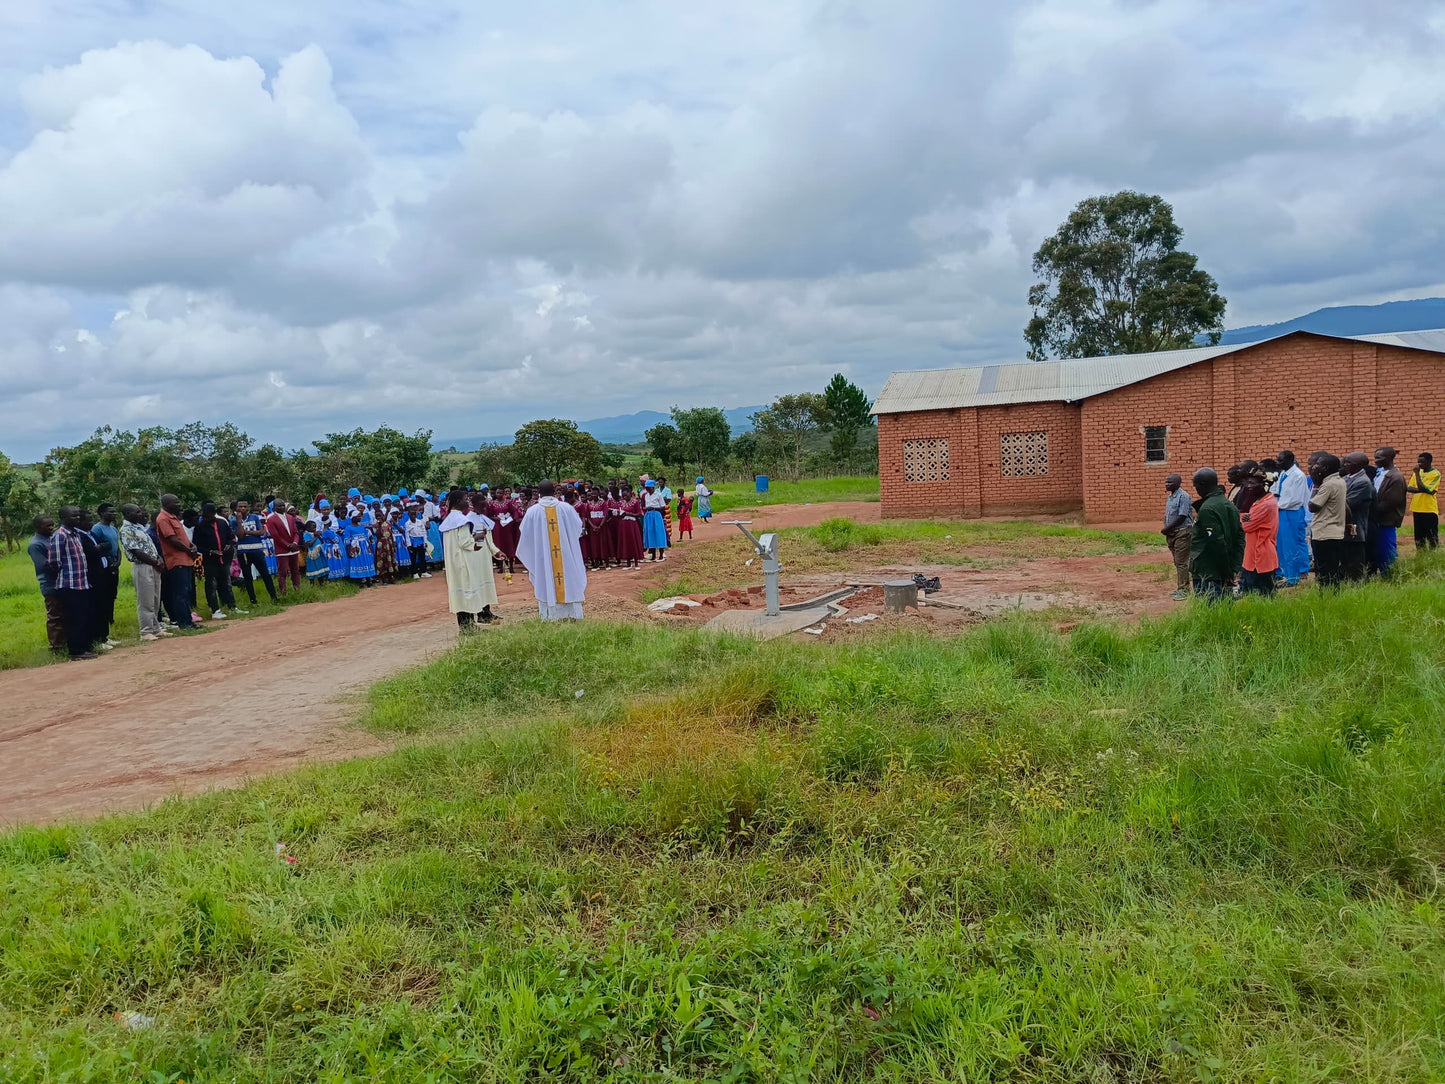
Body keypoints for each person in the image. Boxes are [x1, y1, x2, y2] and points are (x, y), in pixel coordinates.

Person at [516, 480, 587, 620]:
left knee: (546, 578)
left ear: (539, 492)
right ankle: (572, 615)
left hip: (543, 557)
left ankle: (550, 617)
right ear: (554, 491)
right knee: (569, 579)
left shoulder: (532, 511)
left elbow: (525, 535)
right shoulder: (566, 508)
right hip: (565, 555)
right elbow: (578, 528)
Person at [439, 491, 501, 627]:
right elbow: (465, 542)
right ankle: (469, 627)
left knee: (460, 593)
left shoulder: (449, 519)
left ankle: (465, 626)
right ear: (458, 502)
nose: (468, 502)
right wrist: (476, 541)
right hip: (463, 561)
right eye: (465, 499)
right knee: (467, 591)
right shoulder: (462, 520)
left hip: (454, 561)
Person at [48, 505, 98, 658]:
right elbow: (54, 561)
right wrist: (65, 574)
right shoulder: (60, 535)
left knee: (83, 616)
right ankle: (76, 651)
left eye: (78, 516)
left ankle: (84, 647)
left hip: (82, 583)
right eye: (73, 516)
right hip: (69, 584)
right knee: (74, 618)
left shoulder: (76, 534)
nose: (77, 518)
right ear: (63, 518)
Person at [1189, 467, 1243, 601]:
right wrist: (1234, 567)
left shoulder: (1207, 509)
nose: (1196, 490)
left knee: (1209, 611)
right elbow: (1240, 538)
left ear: (1202, 485)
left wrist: (1226, 572)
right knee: (1224, 611)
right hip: (1225, 569)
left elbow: (1216, 543)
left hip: (1208, 571)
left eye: (1196, 486)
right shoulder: (1229, 505)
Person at [120, 505, 167, 641]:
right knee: (145, 600)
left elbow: (149, 546)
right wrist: (154, 561)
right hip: (143, 566)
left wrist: (158, 559)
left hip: (153, 565)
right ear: (128, 513)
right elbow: (136, 551)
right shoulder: (126, 530)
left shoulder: (139, 527)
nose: (141, 514)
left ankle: (155, 628)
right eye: (137, 512)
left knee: (155, 599)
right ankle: (145, 631)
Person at [155, 494, 199, 629]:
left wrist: (192, 546)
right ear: (167, 504)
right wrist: (188, 550)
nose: (179, 505)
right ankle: (184, 623)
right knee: (180, 593)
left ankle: (189, 621)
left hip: (186, 559)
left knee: (187, 592)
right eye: (176, 502)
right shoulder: (163, 519)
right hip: (176, 560)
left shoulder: (174, 518)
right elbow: (172, 540)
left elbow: (182, 537)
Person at [192, 501, 241, 618]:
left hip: (224, 558)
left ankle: (232, 606)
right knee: (211, 584)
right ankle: (215, 610)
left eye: (208, 514)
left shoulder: (222, 523)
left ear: (213, 514)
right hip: (210, 560)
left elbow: (231, 537)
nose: (206, 517)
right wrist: (210, 551)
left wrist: (229, 545)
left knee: (227, 583)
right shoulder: (200, 526)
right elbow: (197, 544)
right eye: (204, 514)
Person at [1308, 453, 1348, 588]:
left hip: (1324, 533)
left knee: (1325, 570)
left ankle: (1328, 596)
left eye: (1318, 464)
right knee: (1332, 568)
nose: (1314, 467)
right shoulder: (1340, 481)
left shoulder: (1327, 485)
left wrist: (1316, 484)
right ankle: (1332, 594)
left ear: (1325, 468)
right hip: (1335, 531)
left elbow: (1312, 506)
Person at [27, 514, 65, 653]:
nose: (51, 528)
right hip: (49, 583)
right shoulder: (36, 544)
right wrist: (63, 564)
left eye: (52, 525)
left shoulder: (51, 538)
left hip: (61, 581)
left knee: (64, 613)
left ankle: (65, 642)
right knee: (54, 615)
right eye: (47, 525)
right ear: (38, 527)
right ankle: (56, 647)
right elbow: (43, 565)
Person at [1272, 450, 1310, 585]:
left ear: (1290, 460)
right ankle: (1287, 574)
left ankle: (1293, 577)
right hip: (1281, 511)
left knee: (1291, 545)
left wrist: (1275, 505)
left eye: (1281, 460)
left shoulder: (1298, 476)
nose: (1278, 462)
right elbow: (1277, 492)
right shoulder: (1283, 474)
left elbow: (1295, 499)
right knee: (1282, 544)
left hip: (1291, 512)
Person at [1238, 471, 1279, 595]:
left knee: (1260, 593)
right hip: (1256, 554)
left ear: (1264, 485)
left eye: (1253, 483)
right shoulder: (1262, 501)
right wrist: (1244, 516)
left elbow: (1246, 525)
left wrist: (1241, 517)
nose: (1249, 486)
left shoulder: (1264, 505)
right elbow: (1247, 519)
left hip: (1259, 556)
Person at [230, 500, 278, 604]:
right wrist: (239, 522)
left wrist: (246, 532)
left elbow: (262, 531)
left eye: (245, 506)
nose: (242, 508)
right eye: (240, 507)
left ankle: (274, 597)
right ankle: (253, 600)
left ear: (248, 507)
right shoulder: (234, 521)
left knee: (265, 574)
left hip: (257, 550)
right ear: (236, 508)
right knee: (248, 577)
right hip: (243, 552)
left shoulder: (254, 517)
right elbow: (240, 535)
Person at [1370, 447, 1407, 575]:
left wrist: (1372, 511)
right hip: (1378, 520)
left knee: (1387, 550)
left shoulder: (1396, 477)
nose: (1376, 460)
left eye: (1379, 457)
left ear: (1389, 458)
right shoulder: (1380, 473)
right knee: (1378, 549)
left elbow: (1391, 502)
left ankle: (1390, 576)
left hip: (1387, 520)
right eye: (1375, 457)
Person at [1341, 453, 1374, 581]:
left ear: (1359, 465)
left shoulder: (1363, 482)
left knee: (1355, 565)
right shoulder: (1347, 478)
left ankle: (1357, 589)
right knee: (1345, 562)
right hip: (1344, 528)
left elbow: (1347, 503)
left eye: (1349, 463)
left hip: (1355, 529)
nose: (1344, 465)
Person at [1160, 473, 1194, 600]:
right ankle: (1182, 587)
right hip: (1172, 533)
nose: (1167, 484)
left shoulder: (1183, 496)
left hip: (1182, 532)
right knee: (1178, 561)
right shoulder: (1171, 497)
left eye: (1170, 482)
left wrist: (1167, 528)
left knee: (1181, 562)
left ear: (1179, 483)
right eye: (1166, 482)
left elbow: (1182, 516)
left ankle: (1184, 590)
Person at [91, 503, 122, 638]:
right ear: (102, 513)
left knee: (113, 593)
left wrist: (118, 561)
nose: (114, 514)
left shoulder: (114, 529)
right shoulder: (97, 529)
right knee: (105, 594)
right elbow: (96, 548)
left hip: (115, 565)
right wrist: (109, 563)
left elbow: (117, 548)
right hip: (105, 567)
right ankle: (106, 619)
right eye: (111, 512)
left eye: (115, 512)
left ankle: (111, 617)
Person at [267, 501, 302, 593]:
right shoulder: (270, 519)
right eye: (279, 506)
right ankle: (283, 592)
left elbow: (296, 532)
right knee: (283, 572)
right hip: (282, 550)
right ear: (274, 507)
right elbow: (275, 535)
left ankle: (297, 589)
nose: (282, 507)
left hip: (294, 548)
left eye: (283, 506)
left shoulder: (290, 517)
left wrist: (295, 542)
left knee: (295, 570)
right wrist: (287, 545)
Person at [1406, 451, 1439, 549]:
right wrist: (1421, 490)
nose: (1419, 465)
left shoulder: (1435, 474)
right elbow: (1410, 488)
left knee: (1431, 536)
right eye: (1418, 462)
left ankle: (1433, 555)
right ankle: (1421, 555)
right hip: (1417, 508)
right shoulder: (1419, 472)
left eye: (1422, 462)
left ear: (1429, 462)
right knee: (1419, 536)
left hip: (1429, 509)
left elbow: (1427, 490)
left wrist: (1417, 475)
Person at [616, 484, 644, 569]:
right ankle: (628, 563)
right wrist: (618, 514)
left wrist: (630, 514)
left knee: (633, 541)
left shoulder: (635, 502)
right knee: (625, 542)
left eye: (626, 495)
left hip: (632, 524)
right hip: (623, 524)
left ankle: (636, 563)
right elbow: (620, 512)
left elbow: (639, 513)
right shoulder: (621, 502)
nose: (625, 497)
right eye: (623, 496)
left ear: (630, 494)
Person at [343, 512, 375, 583]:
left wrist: (370, 547)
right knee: (358, 561)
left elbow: (366, 537)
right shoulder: (348, 528)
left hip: (364, 546)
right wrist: (349, 551)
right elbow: (347, 540)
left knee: (366, 560)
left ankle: (369, 576)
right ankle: (361, 577)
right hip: (356, 547)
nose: (360, 518)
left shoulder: (362, 526)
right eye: (358, 516)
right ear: (353, 518)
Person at [642, 479, 669, 561]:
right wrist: (645, 508)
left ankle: (661, 554)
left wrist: (654, 508)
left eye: (649, 488)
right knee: (650, 534)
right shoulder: (646, 496)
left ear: (653, 488)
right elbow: (644, 505)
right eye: (646, 488)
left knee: (659, 533)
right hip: (648, 515)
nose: (647, 490)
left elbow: (663, 507)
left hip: (656, 514)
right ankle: (653, 555)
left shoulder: (658, 495)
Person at [403, 506, 430, 579]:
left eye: (414, 514)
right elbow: (407, 535)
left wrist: (425, 541)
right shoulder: (407, 524)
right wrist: (409, 545)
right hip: (413, 541)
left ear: (416, 515)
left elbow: (424, 532)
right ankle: (414, 573)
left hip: (420, 540)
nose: (413, 516)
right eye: (411, 514)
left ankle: (424, 571)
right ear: (409, 515)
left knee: (422, 556)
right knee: (413, 557)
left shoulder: (420, 522)